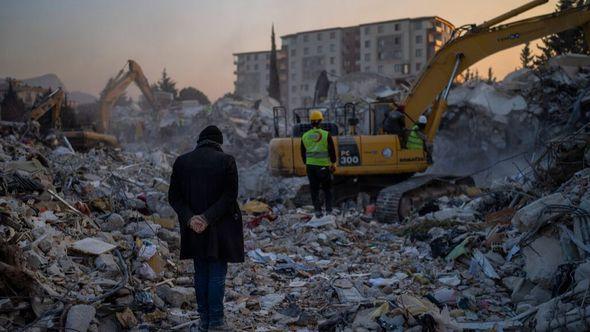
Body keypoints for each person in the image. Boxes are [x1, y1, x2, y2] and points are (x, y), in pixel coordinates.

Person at [168, 125, 244, 332]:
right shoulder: (226, 160)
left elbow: (174, 197)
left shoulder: (182, 162)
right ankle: (217, 322)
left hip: (193, 229)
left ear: (200, 140)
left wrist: (192, 218)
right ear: (218, 142)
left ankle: (204, 320)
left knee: (200, 272)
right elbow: (230, 196)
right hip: (219, 227)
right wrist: (207, 218)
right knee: (217, 273)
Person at [300, 110, 337, 218]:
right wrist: (333, 163)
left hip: (310, 167)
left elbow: (302, 152)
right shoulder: (326, 135)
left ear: (311, 122)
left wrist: (306, 163)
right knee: (327, 189)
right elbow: (332, 151)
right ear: (321, 121)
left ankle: (318, 211)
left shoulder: (305, 136)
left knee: (314, 189)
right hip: (323, 166)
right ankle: (329, 210)